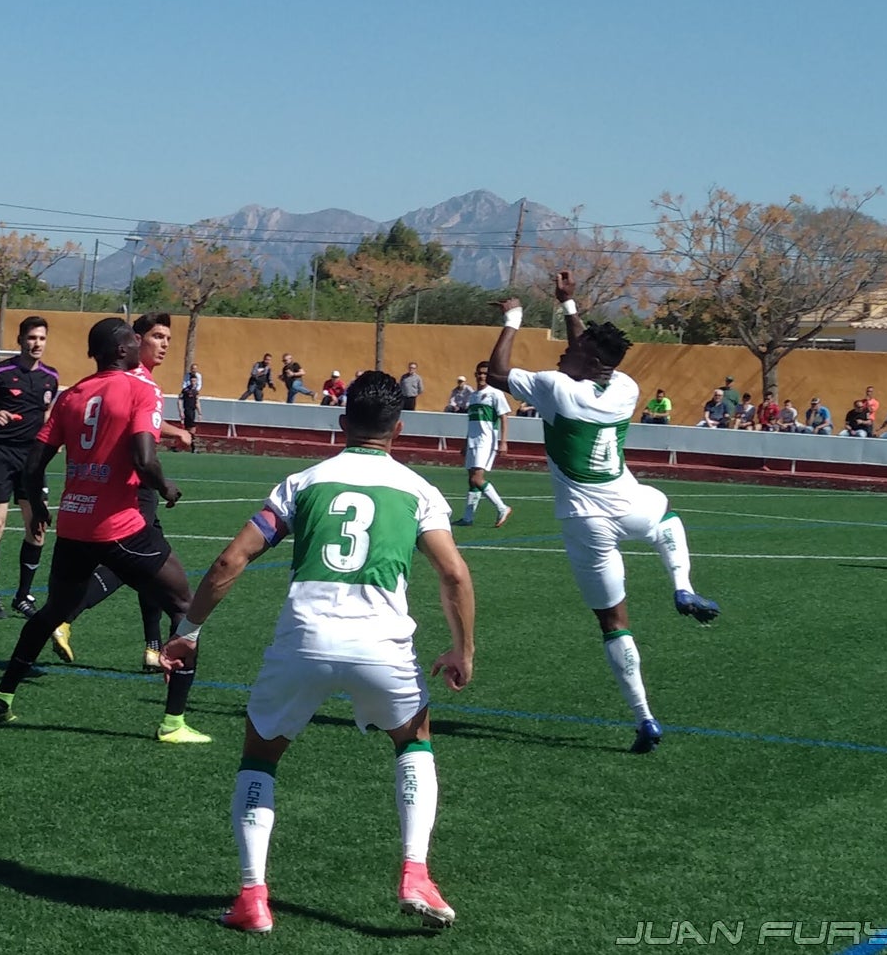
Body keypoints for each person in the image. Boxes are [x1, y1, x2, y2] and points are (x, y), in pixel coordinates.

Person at [161, 371, 477, 933]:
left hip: (304, 638)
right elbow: (453, 573)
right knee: (413, 740)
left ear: (341, 422)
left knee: (261, 754)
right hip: (383, 645)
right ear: (398, 429)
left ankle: (253, 898)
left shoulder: (303, 483)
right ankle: (414, 871)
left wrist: (189, 629)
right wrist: (461, 650)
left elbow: (230, 562)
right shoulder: (418, 489)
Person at [487, 272, 719, 753]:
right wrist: (569, 307)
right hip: (630, 504)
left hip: (585, 521)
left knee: (614, 623)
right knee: (668, 520)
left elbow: (496, 375)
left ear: (589, 360)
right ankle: (683, 587)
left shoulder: (555, 388)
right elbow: (585, 356)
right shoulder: (626, 387)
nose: (560, 353)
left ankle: (646, 719)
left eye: (573, 348)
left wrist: (512, 320)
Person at [0, 317, 209, 744]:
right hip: (120, 524)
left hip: (74, 526)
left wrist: (40, 505)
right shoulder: (142, 390)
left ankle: (2, 696)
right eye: (134, 341)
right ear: (123, 350)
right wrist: (166, 486)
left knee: (52, 612)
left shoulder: (73, 395)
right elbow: (143, 457)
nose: (142, 345)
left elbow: (34, 463)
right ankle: (173, 723)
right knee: (185, 606)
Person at [61, 312, 193, 670]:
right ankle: (64, 615)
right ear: (134, 340)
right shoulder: (134, 380)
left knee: (152, 563)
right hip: (128, 487)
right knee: (137, 565)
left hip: (121, 486)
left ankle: (152, 647)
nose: (164, 344)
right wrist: (174, 436)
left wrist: (168, 433)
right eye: (157, 337)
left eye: (168, 337)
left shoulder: (141, 378)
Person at [0, 316, 60, 621]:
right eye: (32, 338)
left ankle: (23, 596)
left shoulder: (50, 377)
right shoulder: (0, 372)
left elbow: (48, 414)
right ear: (20, 340)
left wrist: (53, 442)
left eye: (42, 339)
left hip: (32, 459)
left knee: (38, 527)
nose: (37, 344)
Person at [457, 361, 513, 527]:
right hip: (473, 441)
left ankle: (502, 507)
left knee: (477, 478)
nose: (482, 376)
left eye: (485, 374)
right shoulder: (473, 396)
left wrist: (504, 442)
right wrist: (466, 442)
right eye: (479, 373)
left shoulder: (495, 394)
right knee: (471, 479)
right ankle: (468, 518)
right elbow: (472, 422)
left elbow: (504, 417)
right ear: (475, 374)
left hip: (486, 441)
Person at [180, 364, 203, 435]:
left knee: (191, 427)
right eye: (193, 368)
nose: (194, 370)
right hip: (187, 409)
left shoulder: (196, 391)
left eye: (194, 381)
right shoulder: (185, 390)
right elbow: (180, 400)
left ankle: (190, 438)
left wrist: (200, 413)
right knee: (190, 427)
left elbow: (197, 402)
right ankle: (190, 438)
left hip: (193, 410)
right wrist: (181, 412)